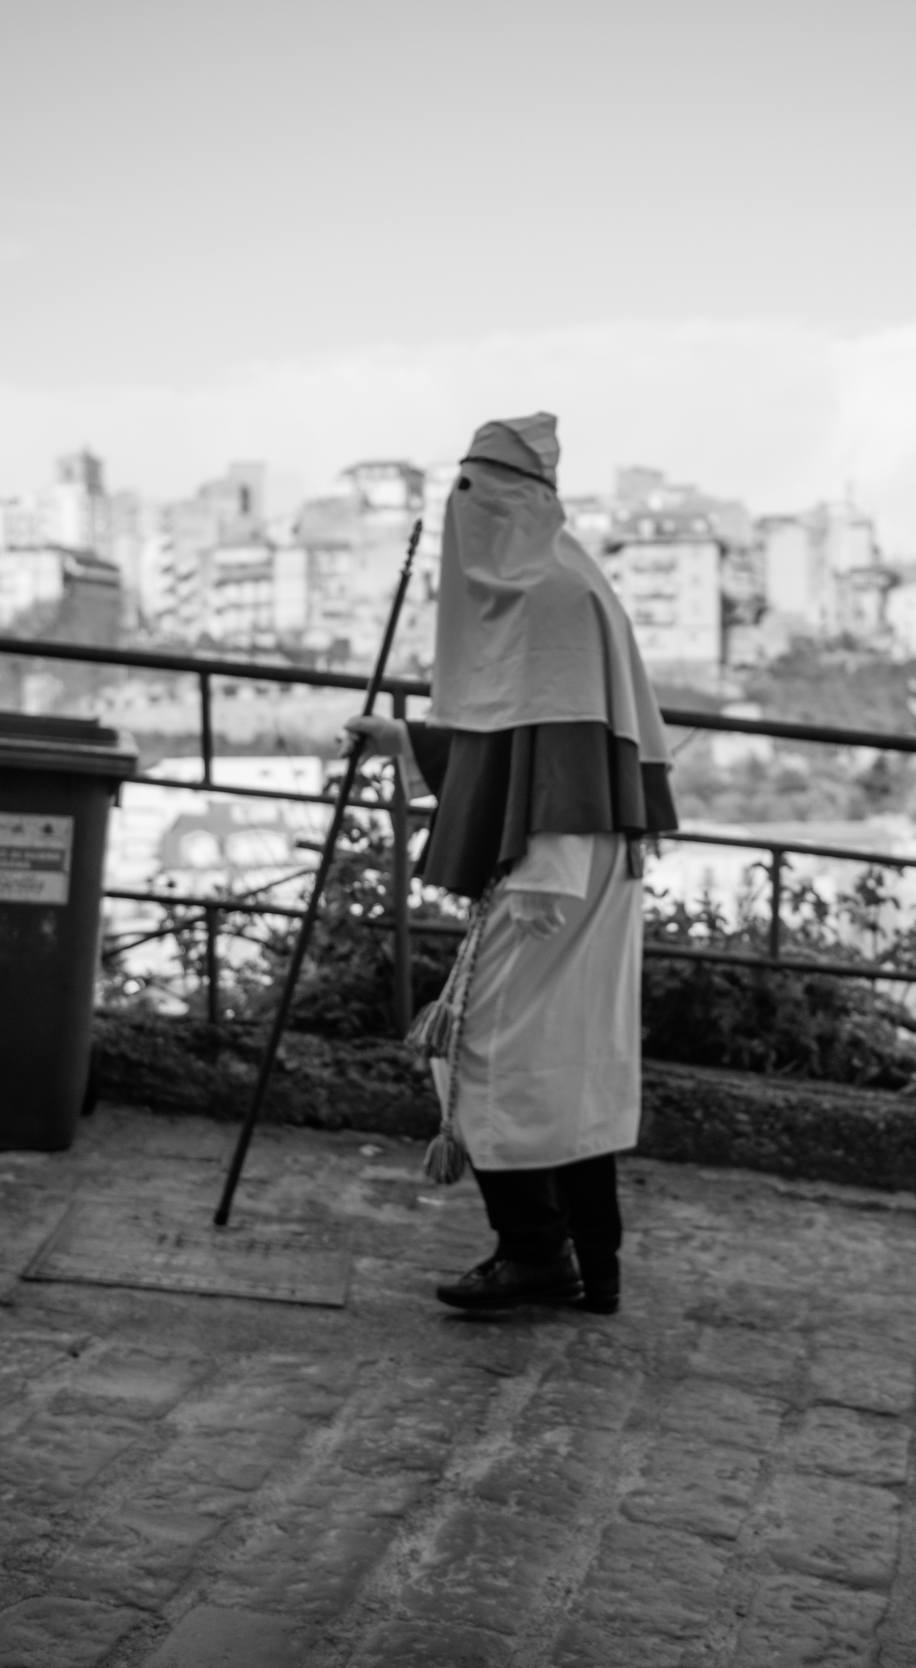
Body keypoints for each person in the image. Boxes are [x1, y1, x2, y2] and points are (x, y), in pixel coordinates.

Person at [343, 412, 677, 1317]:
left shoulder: (556, 595)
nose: (462, 512)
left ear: (517, 501)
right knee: (564, 1060)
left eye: (474, 494)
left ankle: (537, 1254)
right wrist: (408, 740)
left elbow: (566, 752)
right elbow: (517, 735)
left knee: (482, 1047)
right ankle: (585, 1268)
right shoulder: (557, 584)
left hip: (558, 869)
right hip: (563, 858)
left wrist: (542, 876)